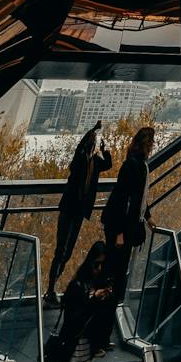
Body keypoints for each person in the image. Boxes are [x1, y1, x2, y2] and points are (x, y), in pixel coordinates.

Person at [47, 241, 117, 362]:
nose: (99, 269)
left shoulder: (96, 286)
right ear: (89, 262)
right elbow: (73, 322)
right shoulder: (76, 287)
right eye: (96, 264)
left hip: (85, 359)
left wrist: (106, 301)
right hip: (68, 360)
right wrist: (93, 301)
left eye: (102, 265)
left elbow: (99, 323)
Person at [48, 121, 111, 298]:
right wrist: (93, 130)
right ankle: (51, 288)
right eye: (91, 142)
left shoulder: (96, 162)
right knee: (61, 249)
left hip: (78, 211)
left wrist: (105, 149)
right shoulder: (80, 160)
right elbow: (79, 150)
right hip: (70, 208)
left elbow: (109, 164)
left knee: (67, 251)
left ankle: (52, 286)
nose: (93, 144)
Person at [100, 124, 154, 298]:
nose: (153, 146)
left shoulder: (136, 164)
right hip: (121, 226)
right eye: (151, 142)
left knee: (115, 265)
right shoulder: (135, 165)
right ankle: (109, 303)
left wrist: (148, 216)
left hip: (122, 225)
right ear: (145, 145)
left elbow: (136, 197)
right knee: (116, 266)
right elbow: (124, 199)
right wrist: (120, 232)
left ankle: (109, 303)